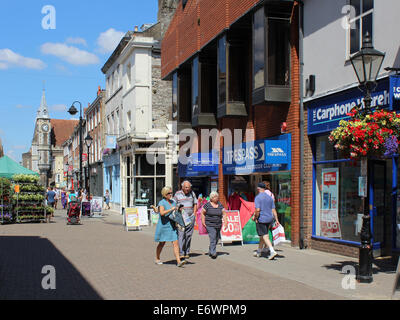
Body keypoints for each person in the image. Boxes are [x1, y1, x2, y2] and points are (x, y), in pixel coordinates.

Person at [154, 186, 186, 267]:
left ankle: (178, 262)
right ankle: (157, 258)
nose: (170, 194)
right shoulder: (162, 202)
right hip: (164, 225)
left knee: (175, 243)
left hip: (172, 225)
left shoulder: (173, 202)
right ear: (164, 194)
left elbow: (175, 212)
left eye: (171, 193)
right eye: (169, 193)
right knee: (162, 243)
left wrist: (179, 209)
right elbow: (161, 213)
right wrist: (171, 209)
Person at [252, 183, 280, 260]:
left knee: (265, 236)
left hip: (262, 219)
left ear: (258, 189)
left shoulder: (258, 198)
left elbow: (257, 210)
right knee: (262, 236)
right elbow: (273, 210)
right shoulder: (270, 198)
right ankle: (259, 252)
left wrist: (255, 217)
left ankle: (272, 251)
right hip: (270, 219)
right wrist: (277, 220)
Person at [173, 181, 198, 260]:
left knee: (188, 235)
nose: (187, 189)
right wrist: (178, 208)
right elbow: (174, 204)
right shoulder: (177, 194)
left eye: (189, 187)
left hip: (190, 217)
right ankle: (181, 252)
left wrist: (194, 214)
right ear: (182, 187)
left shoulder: (192, 193)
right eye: (186, 187)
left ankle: (187, 251)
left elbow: (195, 203)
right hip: (181, 218)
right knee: (181, 235)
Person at [201, 191, 227, 259]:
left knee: (216, 238)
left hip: (218, 224)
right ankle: (213, 252)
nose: (216, 198)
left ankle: (210, 249)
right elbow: (202, 213)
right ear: (211, 198)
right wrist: (203, 222)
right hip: (210, 224)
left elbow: (224, 214)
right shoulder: (207, 205)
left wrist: (226, 222)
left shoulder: (220, 205)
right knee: (213, 237)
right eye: (215, 197)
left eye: (217, 197)